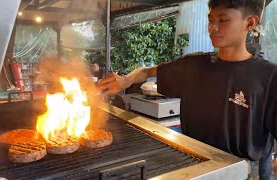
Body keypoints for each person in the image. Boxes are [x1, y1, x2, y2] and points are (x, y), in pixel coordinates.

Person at [98, 0, 277, 179]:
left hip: (246, 173)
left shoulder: (268, 76)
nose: (212, 28)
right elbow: (146, 71)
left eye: (223, 20)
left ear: (250, 23)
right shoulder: (193, 65)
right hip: (196, 164)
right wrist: (126, 80)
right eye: (210, 20)